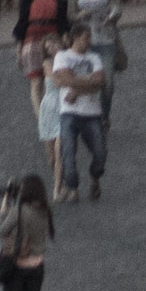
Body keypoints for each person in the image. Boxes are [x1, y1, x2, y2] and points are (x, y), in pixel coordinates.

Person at [51, 23, 108, 203]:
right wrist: (89, 81)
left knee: (100, 152)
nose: (90, 41)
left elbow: (101, 81)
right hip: (69, 112)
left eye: (90, 38)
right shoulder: (62, 56)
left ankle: (94, 177)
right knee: (68, 152)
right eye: (86, 38)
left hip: (92, 112)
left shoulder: (94, 57)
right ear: (75, 38)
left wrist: (76, 89)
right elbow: (64, 78)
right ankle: (73, 188)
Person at [66, 0, 121, 129]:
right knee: (84, 80)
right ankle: (85, 115)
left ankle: (104, 114)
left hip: (106, 39)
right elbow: (70, 15)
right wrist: (80, 15)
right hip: (84, 42)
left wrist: (112, 16)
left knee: (108, 82)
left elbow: (117, 7)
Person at [13, 0, 69, 114]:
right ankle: (41, 118)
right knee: (37, 82)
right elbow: (22, 23)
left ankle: (55, 112)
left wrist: (64, 38)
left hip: (52, 41)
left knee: (52, 79)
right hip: (32, 40)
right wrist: (19, 50)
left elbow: (62, 21)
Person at [36, 39, 66, 195]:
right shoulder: (47, 63)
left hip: (64, 107)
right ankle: (60, 179)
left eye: (54, 44)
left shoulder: (69, 58)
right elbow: (56, 80)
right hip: (48, 108)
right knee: (51, 158)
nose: (53, 48)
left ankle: (57, 187)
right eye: (48, 47)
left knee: (59, 148)